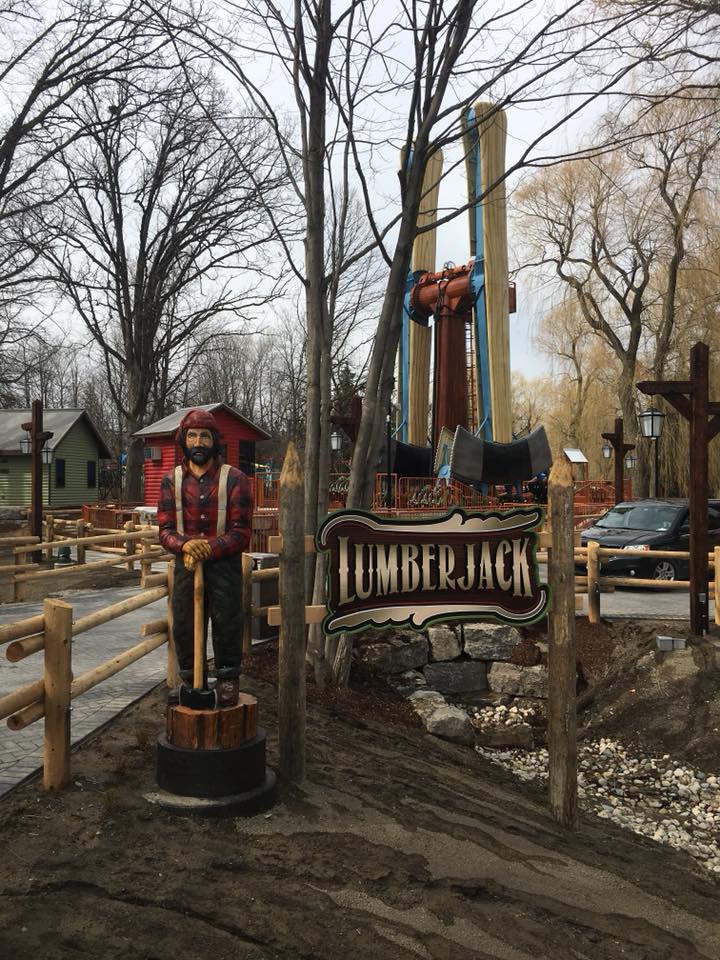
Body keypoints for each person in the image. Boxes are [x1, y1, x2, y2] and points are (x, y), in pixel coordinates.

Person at [157, 408, 252, 707]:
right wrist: (185, 547)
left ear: (215, 441)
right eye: (193, 436)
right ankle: (190, 678)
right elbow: (165, 529)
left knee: (227, 619)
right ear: (184, 440)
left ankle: (227, 679)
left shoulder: (234, 479)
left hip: (224, 565)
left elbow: (241, 532)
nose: (199, 442)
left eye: (205, 436)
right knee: (184, 621)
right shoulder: (170, 481)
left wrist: (208, 548)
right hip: (186, 565)